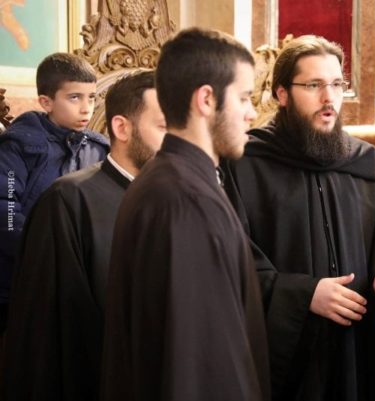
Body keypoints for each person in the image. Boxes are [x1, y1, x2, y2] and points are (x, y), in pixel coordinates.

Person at [223, 35, 375, 401]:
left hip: (359, 351)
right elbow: (231, 258)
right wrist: (304, 294)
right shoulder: (246, 163)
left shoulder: (365, 162)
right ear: (282, 94)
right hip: (290, 358)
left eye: (336, 85)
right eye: (314, 85)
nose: (329, 98)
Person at [101, 28, 270, 401]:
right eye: (244, 97)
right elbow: (200, 365)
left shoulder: (168, 180)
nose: (252, 112)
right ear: (206, 99)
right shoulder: (187, 202)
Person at [1, 70, 165, 401]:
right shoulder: (63, 198)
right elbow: (55, 338)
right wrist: (26, 239)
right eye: (165, 127)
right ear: (122, 128)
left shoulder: (180, 196)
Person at [0, 53, 109, 335]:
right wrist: (47, 254)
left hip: (80, 281)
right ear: (46, 102)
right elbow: (6, 211)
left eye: (91, 98)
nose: (86, 108)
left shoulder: (98, 149)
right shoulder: (18, 146)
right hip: (23, 280)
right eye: (74, 98)